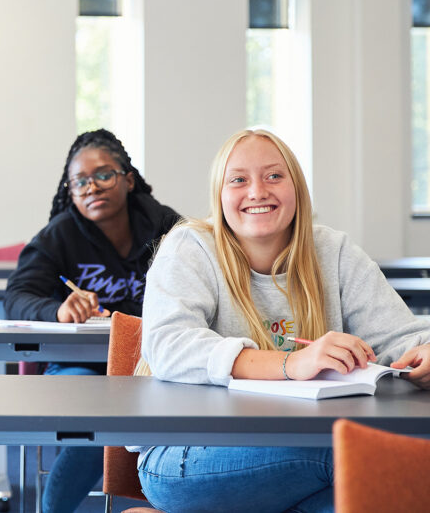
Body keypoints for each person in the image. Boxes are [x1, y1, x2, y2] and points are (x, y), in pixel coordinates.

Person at [139, 128, 430, 513]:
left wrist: (424, 350)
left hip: (303, 442)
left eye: (274, 176)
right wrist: (292, 364)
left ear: (297, 188)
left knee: (362, 496)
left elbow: (402, 334)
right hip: (187, 452)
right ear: (220, 195)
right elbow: (168, 346)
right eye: (238, 180)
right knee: (362, 459)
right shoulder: (189, 247)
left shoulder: (334, 251)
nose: (257, 191)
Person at [4, 129, 180, 513]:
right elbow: (17, 296)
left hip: (151, 363)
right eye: (79, 181)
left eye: (103, 175)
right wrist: (57, 310)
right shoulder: (59, 235)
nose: (91, 188)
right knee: (101, 407)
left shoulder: (165, 226)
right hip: (79, 365)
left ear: (127, 178)